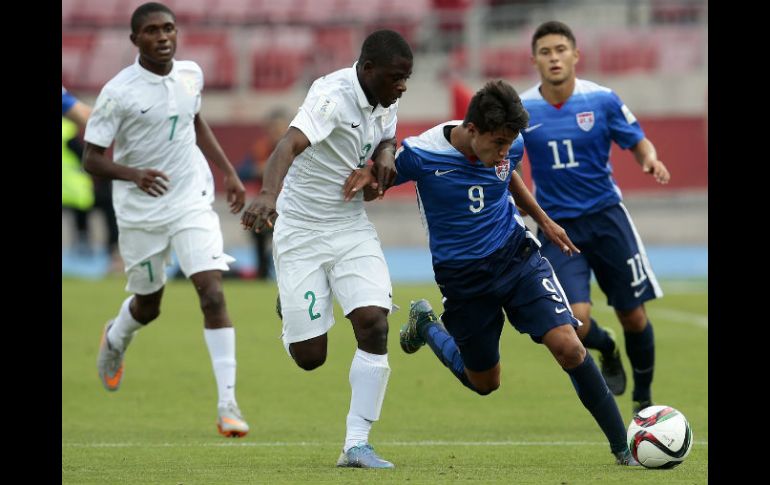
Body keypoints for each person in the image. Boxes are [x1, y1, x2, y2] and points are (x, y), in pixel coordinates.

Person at [350, 80, 640, 466]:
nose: (506, 151)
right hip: (463, 279)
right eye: (498, 143)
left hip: (515, 258)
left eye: (509, 143)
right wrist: (368, 182)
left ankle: (624, 449)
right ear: (472, 130)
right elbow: (378, 180)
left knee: (569, 346)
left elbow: (510, 174)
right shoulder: (422, 155)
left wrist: (545, 221)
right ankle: (426, 326)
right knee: (485, 382)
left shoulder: (510, 144)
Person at [240, 29, 413, 468]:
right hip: (300, 229)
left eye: (407, 78)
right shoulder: (332, 96)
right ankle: (291, 310)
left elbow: (387, 136)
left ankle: (356, 443)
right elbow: (287, 144)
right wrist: (267, 195)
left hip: (350, 225)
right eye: (397, 78)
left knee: (374, 323)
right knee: (310, 357)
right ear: (368, 70)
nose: (403, 87)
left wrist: (386, 157)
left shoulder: (386, 97)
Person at [83, 2, 249, 438]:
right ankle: (116, 337)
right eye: (153, 30)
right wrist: (133, 174)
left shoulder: (191, 73)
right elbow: (92, 160)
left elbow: (195, 122)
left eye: (169, 28)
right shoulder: (118, 93)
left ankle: (228, 404)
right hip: (140, 208)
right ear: (135, 39)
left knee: (212, 292)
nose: (163, 37)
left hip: (190, 196)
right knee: (149, 305)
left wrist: (228, 173)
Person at [521, 21, 669, 413]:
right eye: (546, 52)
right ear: (534, 59)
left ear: (575, 55)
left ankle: (644, 400)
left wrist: (649, 159)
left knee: (634, 316)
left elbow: (637, 140)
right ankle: (606, 346)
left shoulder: (601, 100)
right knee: (574, 323)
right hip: (557, 228)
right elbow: (504, 160)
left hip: (606, 219)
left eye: (560, 50)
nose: (554, 58)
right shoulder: (521, 110)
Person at [62, 87, 122, 272]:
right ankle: (113, 253)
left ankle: (85, 246)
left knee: (85, 215)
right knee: (107, 204)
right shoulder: (66, 130)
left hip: (71, 190)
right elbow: (86, 155)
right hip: (74, 189)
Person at [235, 108, 290, 280]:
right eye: (272, 129)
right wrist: (257, 170)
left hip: (295, 208)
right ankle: (262, 271)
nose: (276, 133)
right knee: (255, 221)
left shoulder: (299, 149)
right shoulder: (260, 150)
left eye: (280, 128)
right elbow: (241, 172)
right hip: (271, 209)